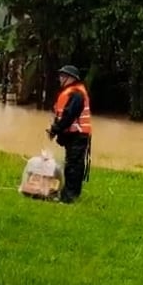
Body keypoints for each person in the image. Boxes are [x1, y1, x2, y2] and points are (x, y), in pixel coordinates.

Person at [47, 65, 92, 204]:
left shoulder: (76, 94)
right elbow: (61, 115)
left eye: (63, 76)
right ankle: (68, 194)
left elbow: (69, 116)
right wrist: (56, 130)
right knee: (72, 165)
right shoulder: (69, 93)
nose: (60, 79)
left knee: (73, 166)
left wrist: (56, 129)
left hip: (78, 136)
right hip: (73, 136)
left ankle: (69, 197)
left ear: (71, 78)